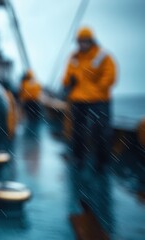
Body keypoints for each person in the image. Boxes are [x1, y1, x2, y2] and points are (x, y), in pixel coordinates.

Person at [62, 27, 117, 170]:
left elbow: (110, 76)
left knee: (101, 131)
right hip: (79, 100)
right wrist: (69, 82)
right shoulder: (73, 58)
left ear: (91, 41)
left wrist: (97, 90)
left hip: (99, 100)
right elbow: (66, 77)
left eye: (85, 41)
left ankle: (102, 163)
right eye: (80, 42)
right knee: (78, 131)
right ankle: (78, 158)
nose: (82, 44)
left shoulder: (103, 56)